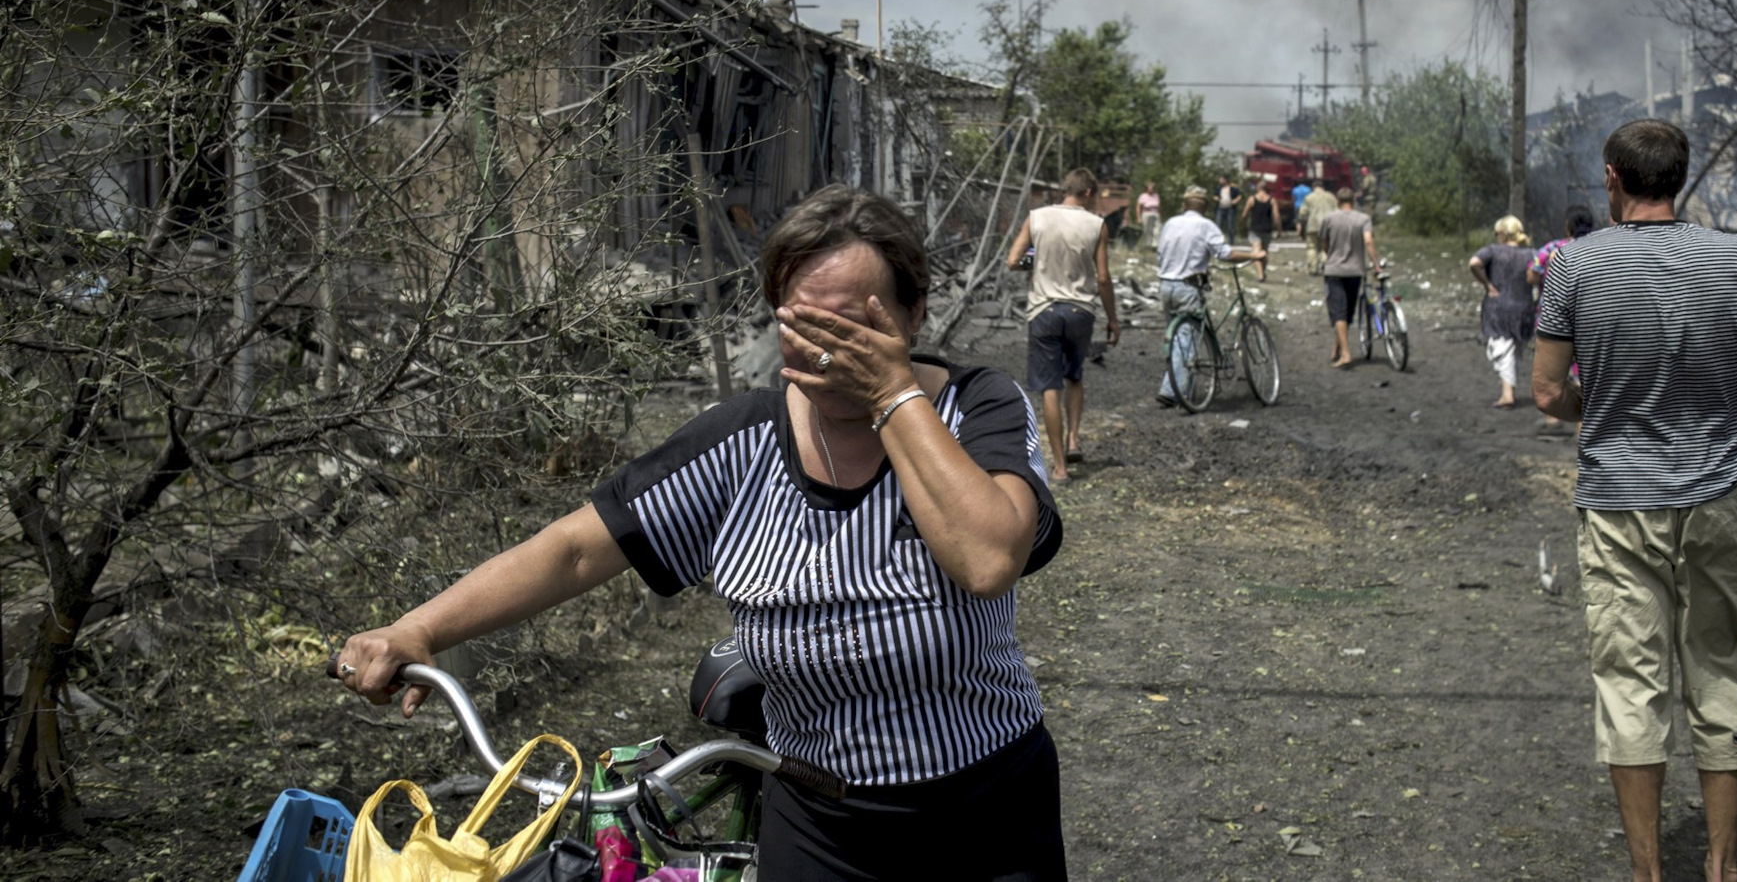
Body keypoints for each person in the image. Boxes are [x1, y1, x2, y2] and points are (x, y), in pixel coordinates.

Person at [336, 185, 1068, 881]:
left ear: (913, 316)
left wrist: (890, 392)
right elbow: (577, 546)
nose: (824, 356)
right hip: (820, 813)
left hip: (986, 807)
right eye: (804, 327)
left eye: (853, 329)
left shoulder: (978, 411)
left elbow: (986, 556)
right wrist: (419, 629)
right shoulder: (743, 443)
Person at [1532, 119, 1737, 882]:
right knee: (1719, 677)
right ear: (1680, 180)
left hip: (1618, 506)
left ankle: (1648, 872)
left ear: (1613, 178)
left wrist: (1605, 402)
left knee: (1631, 686)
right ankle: (1722, 865)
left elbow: (1547, 390)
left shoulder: (1574, 266)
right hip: (1718, 499)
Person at [1007, 167, 1119, 483]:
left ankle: (1059, 467)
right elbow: (1103, 278)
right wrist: (1112, 318)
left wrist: (1037, 260)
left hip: (1043, 310)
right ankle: (1073, 439)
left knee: (1049, 388)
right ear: (1087, 193)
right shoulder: (1097, 225)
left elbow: (1013, 260)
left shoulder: (1038, 217)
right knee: (1075, 377)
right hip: (1080, 310)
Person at [1155, 185, 1264, 405]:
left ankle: (1187, 389)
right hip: (1188, 287)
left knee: (1177, 337)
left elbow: (1162, 252)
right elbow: (1224, 253)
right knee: (1186, 339)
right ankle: (1171, 391)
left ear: (1184, 205)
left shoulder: (1170, 223)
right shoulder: (1206, 226)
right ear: (1204, 207)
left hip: (1166, 284)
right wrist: (1254, 254)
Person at [1528, 204, 1597, 435]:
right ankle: (1583, 425)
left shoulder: (1552, 248)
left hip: (1553, 320)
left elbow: (1531, 274)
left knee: (1553, 372)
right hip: (1589, 319)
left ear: (1568, 225)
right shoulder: (1600, 248)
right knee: (1584, 372)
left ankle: (1553, 420)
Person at [1468, 215, 1536, 409]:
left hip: (1499, 306)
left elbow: (1474, 263)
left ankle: (1507, 394)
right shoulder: (1531, 253)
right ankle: (1509, 389)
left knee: (1501, 348)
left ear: (1503, 234)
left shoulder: (1492, 251)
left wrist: (1487, 284)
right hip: (1523, 305)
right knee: (1515, 349)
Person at [1317, 186, 1379, 368]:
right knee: (1347, 311)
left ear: (1337, 201)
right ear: (1353, 202)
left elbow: (1324, 243)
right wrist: (1375, 264)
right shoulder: (1363, 219)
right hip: (1356, 271)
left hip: (1335, 271)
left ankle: (1346, 354)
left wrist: (1332, 256)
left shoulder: (1329, 219)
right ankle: (1337, 347)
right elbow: (1368, 241)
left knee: (1338, 312)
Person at [1240, 178, 1279, 281]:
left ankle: (1260, 274)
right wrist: (1279, 230)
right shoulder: (1272, 200)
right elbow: (1276, 216)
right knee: (1264, 251)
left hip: (1255, 229)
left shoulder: (1252, 199)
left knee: (1256, 252)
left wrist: (1243, 226)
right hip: (1267, 229)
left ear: (1258, 188)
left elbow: (1244, 214)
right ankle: (1263, 272)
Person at [1299, 178, 1338, 275]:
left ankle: (1313, 268)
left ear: (1313, 187)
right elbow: (1337, 212)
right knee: (1326, 247)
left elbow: (1303, 214)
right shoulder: (1331, 197)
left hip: (1313, 225)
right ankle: (1326, 265)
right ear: (1323, 187)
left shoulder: (1309, 197)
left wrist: (1302, 226)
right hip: (1328, 226)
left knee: (1312, 248)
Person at [1214, 174, 1242, 244]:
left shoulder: (1232, 188)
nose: (1220, 181)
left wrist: (1235, 201)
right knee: (1218, 224)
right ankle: (1217, 240)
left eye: (1221, 179)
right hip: (1220, 208)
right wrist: (1216, 198)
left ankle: (1231, 241)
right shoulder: (1219, 188)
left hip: (1230, 208)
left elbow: (1240, 195)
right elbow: (1215, 195)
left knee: (1230, 225)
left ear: (1225, 180)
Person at [1135, 181, 1162, 248]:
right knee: (1147, 229)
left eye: (1152, 188)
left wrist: (1161, 216)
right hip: (1147, 212)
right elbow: (1138, 207)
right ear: (1147, 188)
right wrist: (1138, 217)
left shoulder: (1156, 195)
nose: (1151, 189)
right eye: (1149, 188)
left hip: (1155, 212)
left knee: (1157, 229)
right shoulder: (1143, 196)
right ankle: (1148, 244)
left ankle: (1155, 245)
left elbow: (1159, 207)